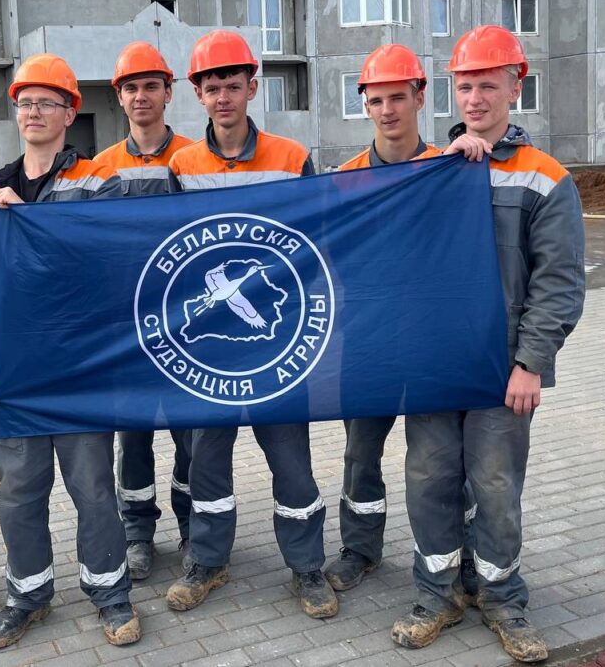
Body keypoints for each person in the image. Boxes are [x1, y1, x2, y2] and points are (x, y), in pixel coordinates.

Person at [392, 26, 586, 663]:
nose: (474, 99)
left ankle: (502, 598)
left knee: (496, 486)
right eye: (465, 87)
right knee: (428, 480)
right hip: (434, 364)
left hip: (502, 370)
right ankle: (437, 595)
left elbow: (558, 283)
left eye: (487, 86)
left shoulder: (545, 178)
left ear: (514, 88)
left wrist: (531, 363)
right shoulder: (431, 169)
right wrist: (445, 167)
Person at [0, 53, 141, 649]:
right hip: (16, 376)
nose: (33, 112)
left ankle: (110, 593)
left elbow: (106, 268)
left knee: (93, 489)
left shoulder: (99, 182)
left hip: (80, 370)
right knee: (18, 492)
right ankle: (28, 596)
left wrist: (32, 223)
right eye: (25, 103)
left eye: (47, 102)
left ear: (70, 113)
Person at [164, 30, 338, 619]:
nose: (223, 97)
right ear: (198, 94)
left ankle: (307, 567)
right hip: (212, 353)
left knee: (292, 462)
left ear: (252, 88)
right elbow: (172, 253)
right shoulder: (182, 165)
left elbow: (316, 243)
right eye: (212, 88)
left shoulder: (291, 158)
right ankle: (207, 561)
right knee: (207, 461)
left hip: (279, 347)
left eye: (233, 86)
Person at [323, 44, 490, 594]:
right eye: (376, 100)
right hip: (367, 344)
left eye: (398, 97)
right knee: (360, 455)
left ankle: (457, 553)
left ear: (420, 97)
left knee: (439, 461)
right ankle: (359, 549)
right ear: (364, 105)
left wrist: (469, 154)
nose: (387, 110)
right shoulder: (345, 179)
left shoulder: (451, 167)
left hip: (431, 345)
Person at [94, 42, 195, 580]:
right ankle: (137, 534)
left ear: (168, 92)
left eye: (150, 86)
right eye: (130, 87)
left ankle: (192, 527)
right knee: (132, 441)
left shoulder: (194, 159)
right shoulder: (100, 168)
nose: (141, 96)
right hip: (128, 331)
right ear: (119, 96)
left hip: (185, 326)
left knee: (190, 437)